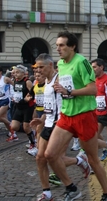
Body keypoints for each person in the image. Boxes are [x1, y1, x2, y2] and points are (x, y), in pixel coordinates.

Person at [44, 31, 107, 201]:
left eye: (62, 45)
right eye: (57, 45)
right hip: (66, 116)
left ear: (72, 46)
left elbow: (93, 89)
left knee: (92, 159)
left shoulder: (81, 62)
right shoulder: (60, 63)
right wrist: (58, 87)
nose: (58, 49)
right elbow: (65, 83)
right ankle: (71, 187)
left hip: (84, 116)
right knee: (50, 154)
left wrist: (70, 91)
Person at [30, 53, 90, 201]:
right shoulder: (45, 82)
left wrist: (65, 117)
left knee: (54, 157)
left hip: (61, 125)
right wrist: (42, 119)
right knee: (40, 158)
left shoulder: (61, 79)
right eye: (37, 68)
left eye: (41, 67)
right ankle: (47, 193)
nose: (38, 70)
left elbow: (71, 99)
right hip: (48, 123)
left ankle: (72, 184)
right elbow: (50, 105)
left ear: (50, 65)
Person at [10, 65, 36, 144]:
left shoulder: (27, 81)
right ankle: (31, 132)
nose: (15, 74)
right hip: (18, 107)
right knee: (14, 126)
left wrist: (26, 99)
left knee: (26, 127)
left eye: (17, 72)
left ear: (23, 73)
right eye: (15, 73)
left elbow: (33, 93)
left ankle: (33, 143)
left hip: (27, 107)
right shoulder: (15, 81)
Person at [0, 66, 14, 139]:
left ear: (0, 72)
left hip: (5, 99)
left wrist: (13, 95)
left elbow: (14, 85)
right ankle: (12, 133)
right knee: (4, 119)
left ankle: (12, 126)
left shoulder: (5, 79)